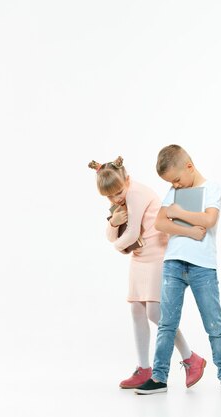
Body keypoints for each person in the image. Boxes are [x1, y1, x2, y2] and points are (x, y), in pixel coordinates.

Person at [88, 156, 205, 389]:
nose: (115, 198)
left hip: (156, 256)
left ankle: (191, 358)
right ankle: (143, 368)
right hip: (139, 258)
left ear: (127, 180)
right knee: (136, 309)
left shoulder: (136, 194)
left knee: (155, 312)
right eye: (109, 197)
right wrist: (113, 223)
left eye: (117, 193)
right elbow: (113, 234)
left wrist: (116, 245)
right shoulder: (120, 198)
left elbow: (129, 236)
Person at [134, 145, 221, 395]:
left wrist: (179, 213)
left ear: (189, 167)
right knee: (166, 324)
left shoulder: (212, 188)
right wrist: (189, 230)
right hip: (173, 264)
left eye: (177, 179)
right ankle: (159, 378)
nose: (176, 185)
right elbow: (161, 223)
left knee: (214, 323)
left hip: (203, 266)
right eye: (172, 182)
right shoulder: (173, 191)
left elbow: (209, 220)